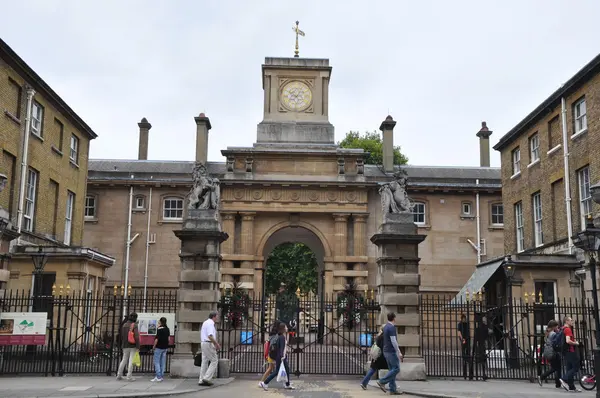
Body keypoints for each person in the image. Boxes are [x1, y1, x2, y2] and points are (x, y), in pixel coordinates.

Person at [260, 322, 295, 390]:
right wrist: (282, 356)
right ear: (283, 329)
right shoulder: (281, 337)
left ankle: (287, 384)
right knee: (277, 371)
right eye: (286, 327)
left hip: (281, 356)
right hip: (281, 357)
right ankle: (265, 383)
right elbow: (281, 348)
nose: (287, 328)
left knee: (287, 369)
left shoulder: (280, 336)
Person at [376, 312, 403, 395]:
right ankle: (382, 381)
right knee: (396, 369)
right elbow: (393, 341)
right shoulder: (391, 328)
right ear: (394, 318)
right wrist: (399, 352)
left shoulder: (386, 327)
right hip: (391, 351)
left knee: (392, 370)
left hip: (385, 351)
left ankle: (392, 389)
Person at [360, 325, 388, 390]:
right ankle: (386, 383)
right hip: (381, 357)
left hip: (375, 356)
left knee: (372, 370)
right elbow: (383, 347)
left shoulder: (378, 336)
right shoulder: (384, 337)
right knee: (392, 370)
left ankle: (364, 383)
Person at [559, 316, 581, 392]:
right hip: (570, 351)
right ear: (567, 321)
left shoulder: (562, 329)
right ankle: (564, 379)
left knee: (569, 368)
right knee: (576, 367)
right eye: (571, 320)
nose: (572, 321)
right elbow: (568, 341)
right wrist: (575, 343)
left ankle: (572, 387)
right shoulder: (568, 329)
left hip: (565, 351)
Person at [199, 311, 221, 386]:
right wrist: (216, 344)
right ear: (214, 316)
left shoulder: (205, 322)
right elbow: (210, 336)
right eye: (217, 316)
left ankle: (201, 379)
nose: (217, 318)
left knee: (204, 361)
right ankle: (207, 378)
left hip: (203, 342)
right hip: (208, 343)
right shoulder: (211, 323)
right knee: (214, 360)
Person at [116, 312, 140, 381]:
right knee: (131, 360)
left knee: (124, 360)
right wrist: (138, 346)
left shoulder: (124, 325)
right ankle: (129, 376)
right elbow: (136, 337)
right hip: (132, 345)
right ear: (135, 318)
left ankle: (119, 375)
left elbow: (122, 336)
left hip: (125, 345)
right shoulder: (134, 325)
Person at [538, 320, 561, 388]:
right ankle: (542, 377)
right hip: (554, 352)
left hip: (549, 352)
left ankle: (558, 383)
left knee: (556, 368)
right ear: (554, 327)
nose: (558, 328)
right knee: (556, 368)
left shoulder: (548, 333)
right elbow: (555, 343)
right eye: (557, 326)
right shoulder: (553, 334)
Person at [258, 320, 281, 387]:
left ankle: (262, 381)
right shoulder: (276, 335)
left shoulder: (272, 334)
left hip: (271, 353)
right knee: (272, 368)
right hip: (274, 354)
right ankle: (262, 382)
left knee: (271, 368)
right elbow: (274, 344)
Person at [151, 317, 170, 382]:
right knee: (162, 362)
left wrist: (154, 346)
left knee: (157, 362)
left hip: (159, 347)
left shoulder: (159, 329)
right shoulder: (167, 329)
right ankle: (161, 376)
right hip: (165, 347)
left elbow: (156, 339)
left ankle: (158, 376)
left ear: (161, 322)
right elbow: (168, 339)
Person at [457, 314, 471, 379]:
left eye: (465, 318)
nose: (464, 320)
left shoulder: (467, 324)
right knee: (464, 354)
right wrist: (462, 339)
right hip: (464, 340)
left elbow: (468, 331)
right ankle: (465, 374)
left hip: (467, 339)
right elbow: (459, 332)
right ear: (462, 318)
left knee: (468, 354)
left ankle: (470, 373)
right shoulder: (460, 324)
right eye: (463, 319)